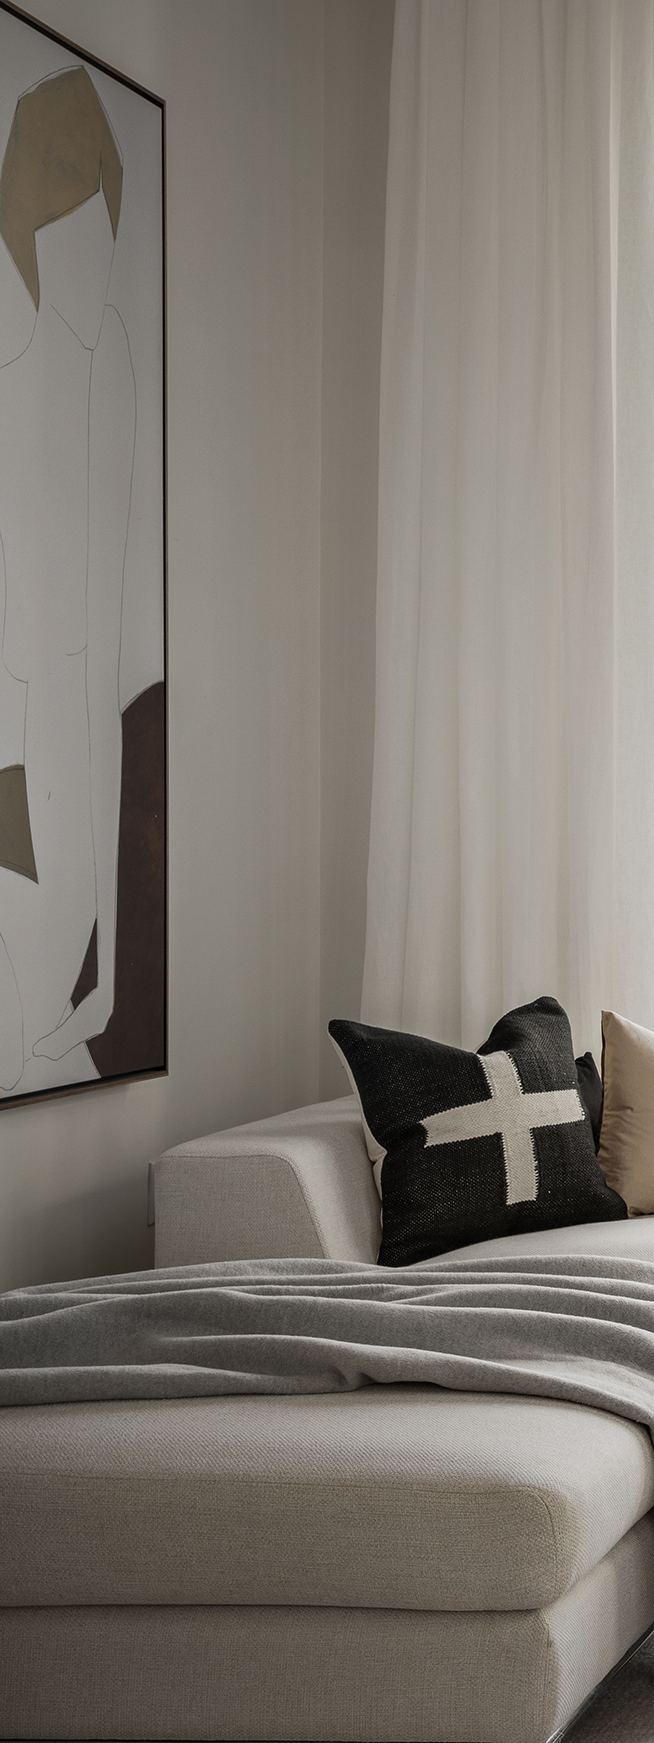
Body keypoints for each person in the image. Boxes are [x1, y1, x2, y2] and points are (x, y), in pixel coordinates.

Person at [0, 64, 136, 1094]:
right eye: (69, 237)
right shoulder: (18, 397)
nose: (92, 267)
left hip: (57, 769)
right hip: (23, 758)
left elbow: (96, 695)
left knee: (49, 1027)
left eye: (104, 234)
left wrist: (113, 961)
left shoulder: (110, 378)